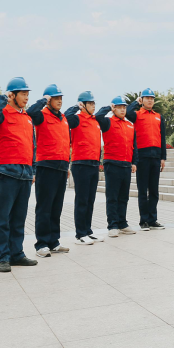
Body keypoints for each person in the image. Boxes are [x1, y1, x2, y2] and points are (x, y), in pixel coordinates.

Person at [0, 77, 38, 271]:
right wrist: (2, 98)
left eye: (27, 94)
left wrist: (33, 169)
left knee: (18, 218)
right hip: (6, 171)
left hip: (25, 172)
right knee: (2, 217)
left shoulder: (27, 117)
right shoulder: (2, 113)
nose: (26, 97)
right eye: (23, 94)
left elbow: (32, 145)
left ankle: (16, 253)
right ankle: (1, 257)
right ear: (12, 95)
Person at [27, 85, 71, 257]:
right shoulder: (41, 115)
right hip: (46, 166)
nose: (59, 100)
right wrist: (43, 101)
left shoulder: (64, 118)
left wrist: (66, 166)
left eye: (61, 97)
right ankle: (42, 244)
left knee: (56, 207)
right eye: (55, 97)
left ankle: (54, 241)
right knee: (44, 207)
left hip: (61, 167)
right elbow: (30, 111)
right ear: (48, 99)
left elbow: (65, 142)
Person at [66, 91, 104, 245]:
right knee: (82, 200)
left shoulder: (95, 121)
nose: (93, 106)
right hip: (80, 164)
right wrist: (76, 107)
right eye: (90, 103)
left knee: (90, 200)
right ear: (83, 105)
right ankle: (80, 234)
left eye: (94, 103)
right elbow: (65, 118)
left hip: (94, 163)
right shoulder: (76, 119)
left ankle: (88, 231)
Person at [126, 88, 167, 231]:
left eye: (152, 98)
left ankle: (152, 219)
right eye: (147, 98)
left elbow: (162, 138)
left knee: (154, 191)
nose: (150, 100)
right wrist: (135, 102)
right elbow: (127, 112)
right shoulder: (137, 115)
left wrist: (163, 157)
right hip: (142, 157)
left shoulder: (158, 117)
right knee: (143, 190)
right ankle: (143, 221)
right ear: (142, 100)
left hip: (156, 157)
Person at [97, 96, 138, 237]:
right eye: (119, 107)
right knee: (112, 196)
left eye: (124, 107)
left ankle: (122, 223)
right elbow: (98, 116)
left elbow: (134, 146)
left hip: (126, 164)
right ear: (114, 108)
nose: (122, 109)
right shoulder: (108, 122)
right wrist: (109, 107)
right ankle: (112, 225)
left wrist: (134, 162)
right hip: (112, 163)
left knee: (123, 196)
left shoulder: (130, 125)